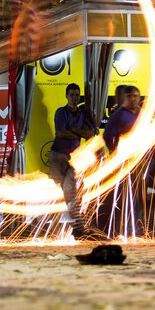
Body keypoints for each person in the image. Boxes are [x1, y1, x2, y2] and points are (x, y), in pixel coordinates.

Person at [48, 83, 97, 239]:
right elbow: (60, 133)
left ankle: (78, 228)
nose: (75, 98)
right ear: (66, 96)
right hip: (58, 157)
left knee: (71, 193)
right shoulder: (61, 112)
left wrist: (75, 130)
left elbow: (92, 133)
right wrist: (79, 133)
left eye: (77, 95)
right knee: (59, 194)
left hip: (74, 158)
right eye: (72, 95)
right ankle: (66, 229)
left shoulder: (83, 114)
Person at [103, 85, 141, 154]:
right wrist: (113, 151)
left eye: (135, 96)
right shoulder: (119, 115)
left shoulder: (144, 113)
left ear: (139, 97)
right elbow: (107, 136)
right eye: (129, 96)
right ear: (125, 98)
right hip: (125, 156)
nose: (132, 99)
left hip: (141, 154)